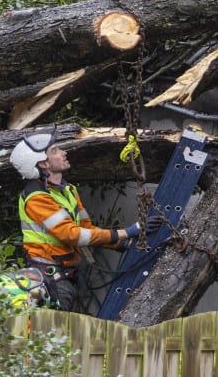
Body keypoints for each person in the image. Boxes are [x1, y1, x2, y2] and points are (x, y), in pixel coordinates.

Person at [12, 131, 139, 313]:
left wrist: (121, 243)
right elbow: (72, 235)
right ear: (43, 163)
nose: (63, 153)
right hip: (50, 277)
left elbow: (86, 230)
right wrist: (126, 232)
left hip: (68, 274)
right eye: (55, 150)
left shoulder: (68, 189)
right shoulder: (36, 197)